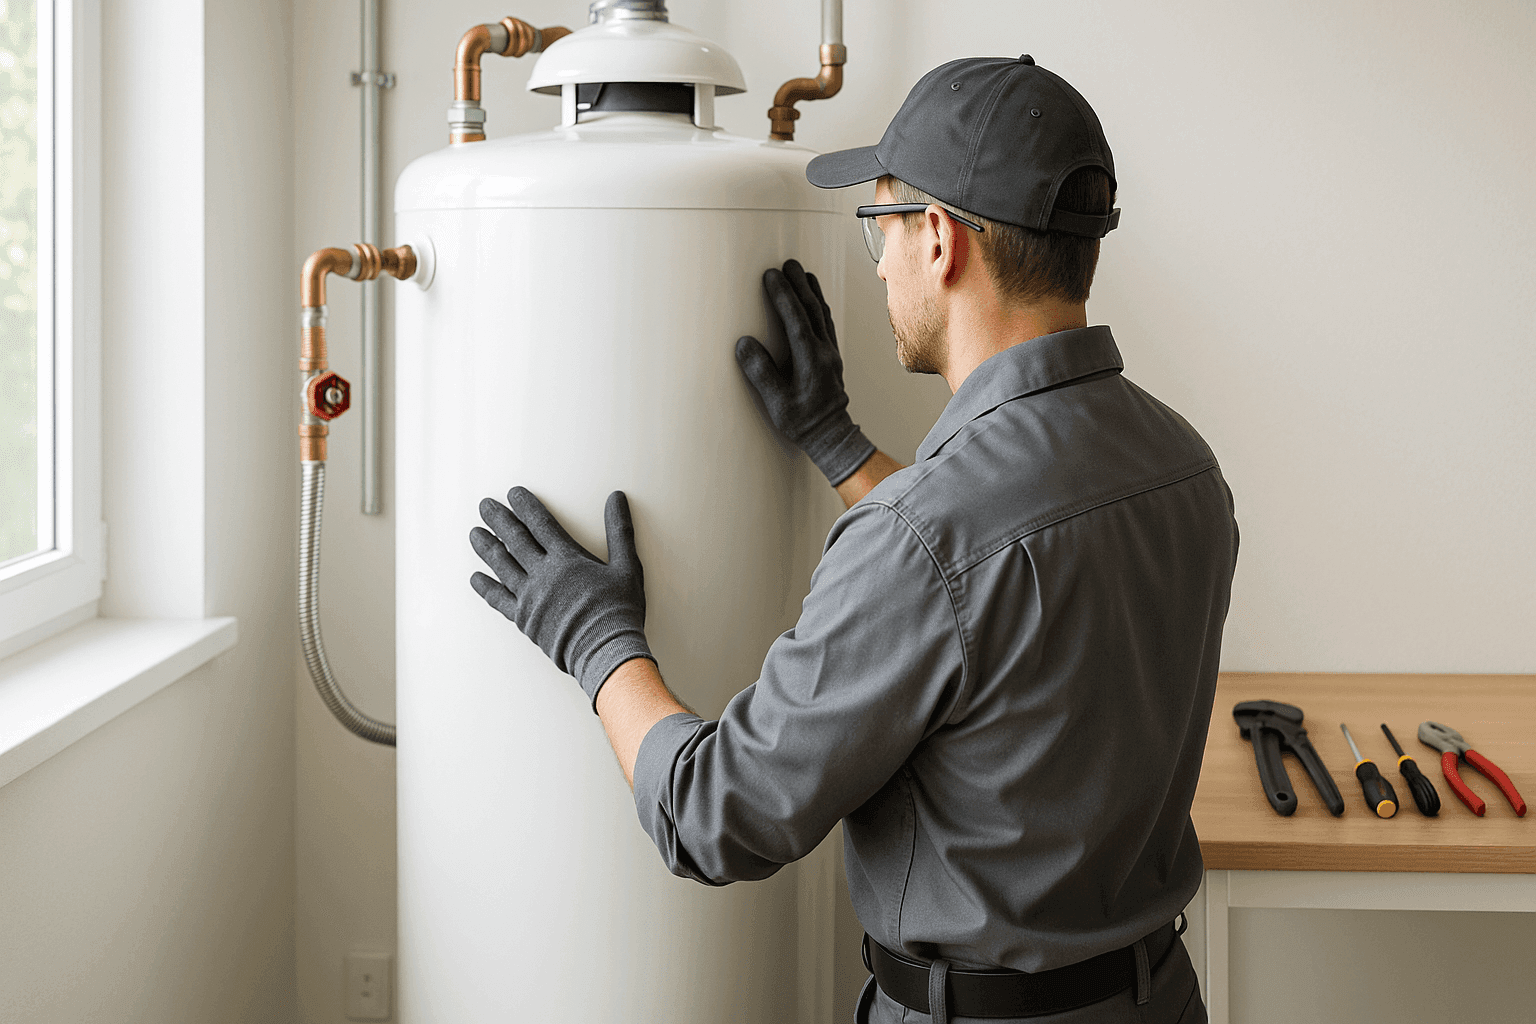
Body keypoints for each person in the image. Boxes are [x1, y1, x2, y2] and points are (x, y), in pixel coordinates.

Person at [469, 55, 1238, 1024]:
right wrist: (838, 446)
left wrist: (596, 639)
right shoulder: (1182, 464)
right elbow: (1000, 599)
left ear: (939, 238)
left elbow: (715, 817)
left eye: (883, 225)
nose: (877, 263)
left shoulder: (924, 535)